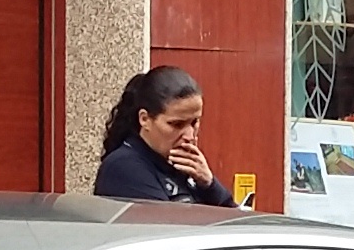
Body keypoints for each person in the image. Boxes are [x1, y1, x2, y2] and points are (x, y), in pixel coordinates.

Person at [91, 65, 241, 206]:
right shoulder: (124, 167)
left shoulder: (183, 168)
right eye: (177, 124)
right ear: (145, 119)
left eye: (194, 122)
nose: (189, 136)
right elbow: (170, 227)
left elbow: (234, 223)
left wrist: (209, 184)